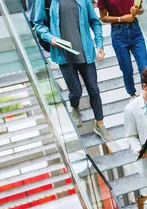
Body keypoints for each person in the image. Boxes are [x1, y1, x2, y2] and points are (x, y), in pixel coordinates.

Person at [34, 0, 113, 142]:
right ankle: (74, 106)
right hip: (63, 55)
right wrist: (50, 37)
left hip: (86, 53)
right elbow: (38, 24)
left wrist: (99, 44)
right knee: (76, 91)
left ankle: (100, 124)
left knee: (94, 90)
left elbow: (94, 21)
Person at [98, 0, 147, 98]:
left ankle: (146, 95)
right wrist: (121, 19)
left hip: (135, 30)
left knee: (145, 67)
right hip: (118, 34)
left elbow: (141, 9)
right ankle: (132, 95)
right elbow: (103, 17)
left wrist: (137, 11)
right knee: (127, 69)